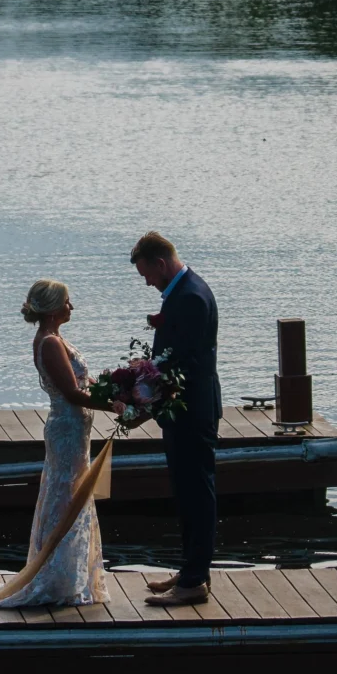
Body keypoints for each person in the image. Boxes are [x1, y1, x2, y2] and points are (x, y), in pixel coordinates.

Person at [0, 280, 111, 609]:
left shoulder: (55, 339)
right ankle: (58, 577)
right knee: (66, 496)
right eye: (67, 302)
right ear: (52, 307)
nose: (71, 307)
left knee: (72, 494)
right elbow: (72, 393)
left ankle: (70, 574)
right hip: (67, 429)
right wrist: (116, 406)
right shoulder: (49, 343)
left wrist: (115, 386)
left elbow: (83, 382)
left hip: (75, 431)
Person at [131, 232, 221, 608]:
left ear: (160, 263)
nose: (148, 282)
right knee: (186, 492)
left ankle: (195, 580)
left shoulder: (190, 298)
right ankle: (190, 571)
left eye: (146, 274)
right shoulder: (184, 292)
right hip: (183, 410)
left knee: (196, 493)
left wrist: (140, 391)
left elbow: (180, 363)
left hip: (190, 410)